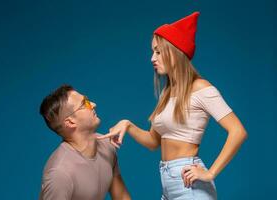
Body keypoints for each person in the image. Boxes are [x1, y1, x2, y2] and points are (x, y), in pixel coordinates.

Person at [98, 12, 247, 200]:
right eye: (153, 51)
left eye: (159, 52)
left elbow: (238, 131)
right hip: (168, 184)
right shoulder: (166, 93)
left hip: (189, 185)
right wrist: (127, 124)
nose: (153, 58)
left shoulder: (201, 89)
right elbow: (153, 141)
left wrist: (210, 173)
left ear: (176, 52)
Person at [39, 84, 131, 200]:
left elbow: (122, 197)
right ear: (70, 122)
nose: (93, 104)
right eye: (84, 103)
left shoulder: (106, 146)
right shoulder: (60, 174)